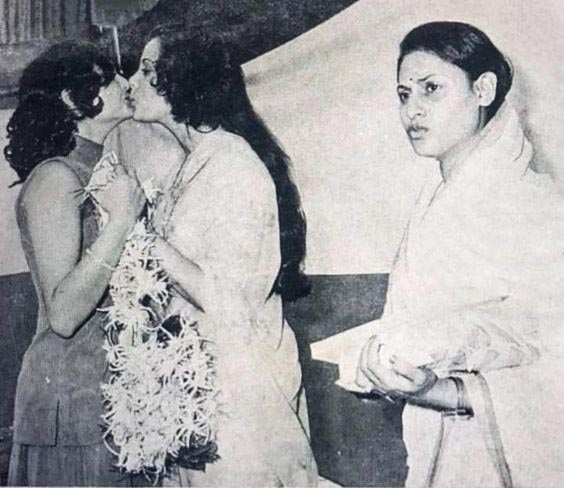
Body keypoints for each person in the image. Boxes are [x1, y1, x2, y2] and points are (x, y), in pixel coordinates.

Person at [355, 21, 564, 487]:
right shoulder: (429, 206)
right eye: (404, 94)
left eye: (432, 89)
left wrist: (441, 391)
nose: (413, 110)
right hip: (433, 446)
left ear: (483, 89)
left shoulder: (535, 204)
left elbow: (555, 360)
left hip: (505, 456)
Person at [127, 28, 318, 486]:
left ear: (182, 81)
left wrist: (139, 235)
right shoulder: (196, 160)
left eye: (147, 70)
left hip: (240, 395)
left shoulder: (231, 162)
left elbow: (228, 299)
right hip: (201, 389)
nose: (131, 81)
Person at [5, 41, 145, 486]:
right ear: (71, 97)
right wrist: (122, 220)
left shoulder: (100, 170)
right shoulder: (55, 178)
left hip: (108, 397)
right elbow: (63, 315)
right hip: (71, 404)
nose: (127, 83)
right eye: (111, 77)